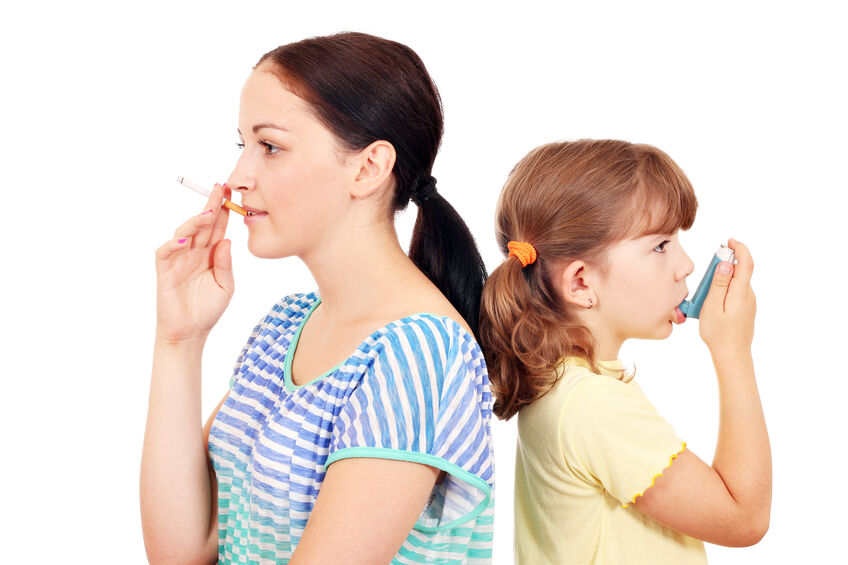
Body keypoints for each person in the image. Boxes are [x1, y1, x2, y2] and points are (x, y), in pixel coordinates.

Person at [141, 32, 494, 565]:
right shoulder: (284, 328)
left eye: (271, 146)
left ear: (368, 168)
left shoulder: (419, 354)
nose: (237, 178)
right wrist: (178, 339)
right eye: (244, 146)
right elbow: (182, 552)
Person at [478, 140, 771, 564]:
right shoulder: (594, 405)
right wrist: (732, 350)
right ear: (580, 283)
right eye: (660, 245)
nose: (686, 264)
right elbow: (745, 518)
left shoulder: (568, 383)